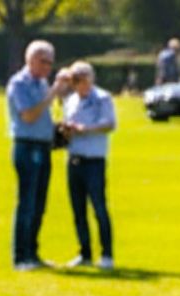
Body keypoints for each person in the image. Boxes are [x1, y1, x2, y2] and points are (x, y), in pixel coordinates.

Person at [7, 39, 69, 271]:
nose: (47, 67)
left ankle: (33, 253)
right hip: (27, 146)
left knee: (40, 203)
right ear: (31, 59)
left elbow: (42, 116)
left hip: (43, 146)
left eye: (50, 63)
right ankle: (21, 256)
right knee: (27, 202)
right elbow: (29, 116)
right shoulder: (19, 84)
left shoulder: (42, 83)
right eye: (44, 62)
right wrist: (53, 92)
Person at [60, 61, 115, 271]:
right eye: (76, 81)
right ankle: (85, 252)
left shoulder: (102, 98)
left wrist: (86, 128)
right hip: (74, 158)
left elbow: (109, 123)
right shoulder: (71, 100)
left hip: (94, 159)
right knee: (78, 209)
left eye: (83, 79)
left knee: (99, 207)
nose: (81, 85)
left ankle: (107, 254)